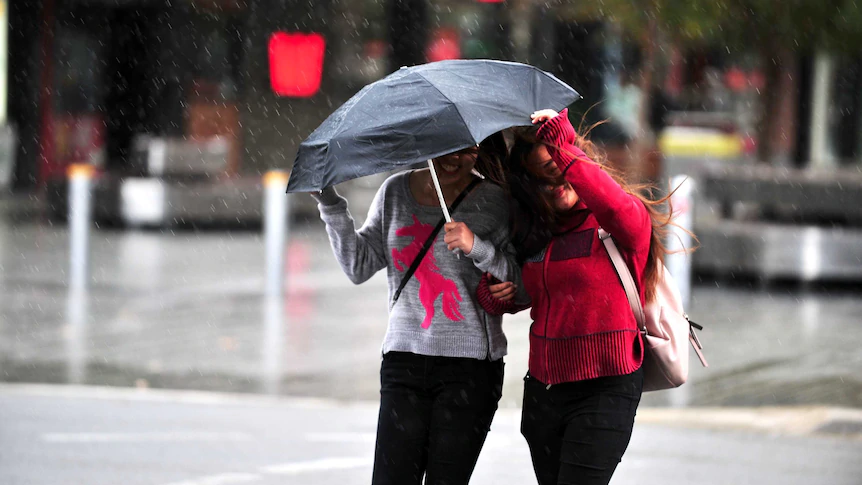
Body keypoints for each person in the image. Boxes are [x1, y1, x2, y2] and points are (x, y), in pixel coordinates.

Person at [476, 108, 682, 485]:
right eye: (541, 178)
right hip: (544, 392)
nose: (554, 181)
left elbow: (610, 201)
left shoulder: (619, 223)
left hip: (605, 387)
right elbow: (533, 293)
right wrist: (500, 294)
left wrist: (561, 145)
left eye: (558, 168)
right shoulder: (538, 232)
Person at [310, 133, 525, 485]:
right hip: (403, 362)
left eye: (468, 150)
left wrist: (478, 247)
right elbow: (358, 265)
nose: (455, 159)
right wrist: (330, 203)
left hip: (469, 368)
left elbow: (520, 282)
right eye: (447, 147)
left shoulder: (494, 201)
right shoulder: (394, 193)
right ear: (428, 143)